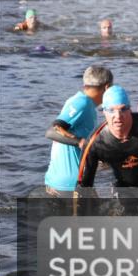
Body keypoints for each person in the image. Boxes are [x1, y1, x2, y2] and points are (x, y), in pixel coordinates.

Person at [43, 66, 114, 196]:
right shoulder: (81, 103)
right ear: (107, 87)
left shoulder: (87, 105)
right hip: (68, 186)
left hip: (70, 183)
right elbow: (51, 131)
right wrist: (80, 142)